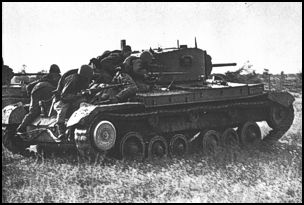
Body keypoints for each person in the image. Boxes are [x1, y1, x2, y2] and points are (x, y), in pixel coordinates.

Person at [16, 64, 62, 133]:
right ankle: (21, 128)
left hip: (37, 89)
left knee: (33, 111)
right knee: (42, 110)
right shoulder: (58, 77)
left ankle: (22, 127)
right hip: (47, 89)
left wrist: (29, 95)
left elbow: (29, 86)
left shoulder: (46, 77)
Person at [54, 65, 93, 139]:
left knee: (84, 103)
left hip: (74, 97)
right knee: (62, 108)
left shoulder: (84, 78)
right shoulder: (72, 79)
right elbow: (64, 97)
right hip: (62, 99)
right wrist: (77, 96)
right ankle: (61, 129)